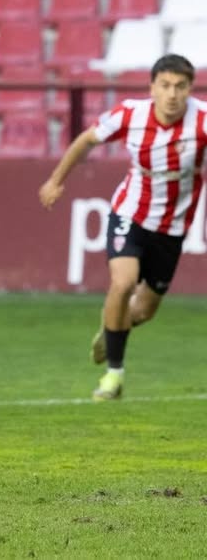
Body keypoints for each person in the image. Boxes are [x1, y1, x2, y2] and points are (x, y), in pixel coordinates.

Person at [39, 54, 207, 402]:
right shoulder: (130, 114)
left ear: (191, 89)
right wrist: (56, 180)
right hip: (129, 213)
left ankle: (111, 328)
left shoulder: (202, 121)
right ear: (153, 87)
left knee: (142, 311)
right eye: (165, 85)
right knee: (123, 281)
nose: (172, 94)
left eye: (180, 86)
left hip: (173, 227)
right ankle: (113, 375)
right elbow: (86, 140)